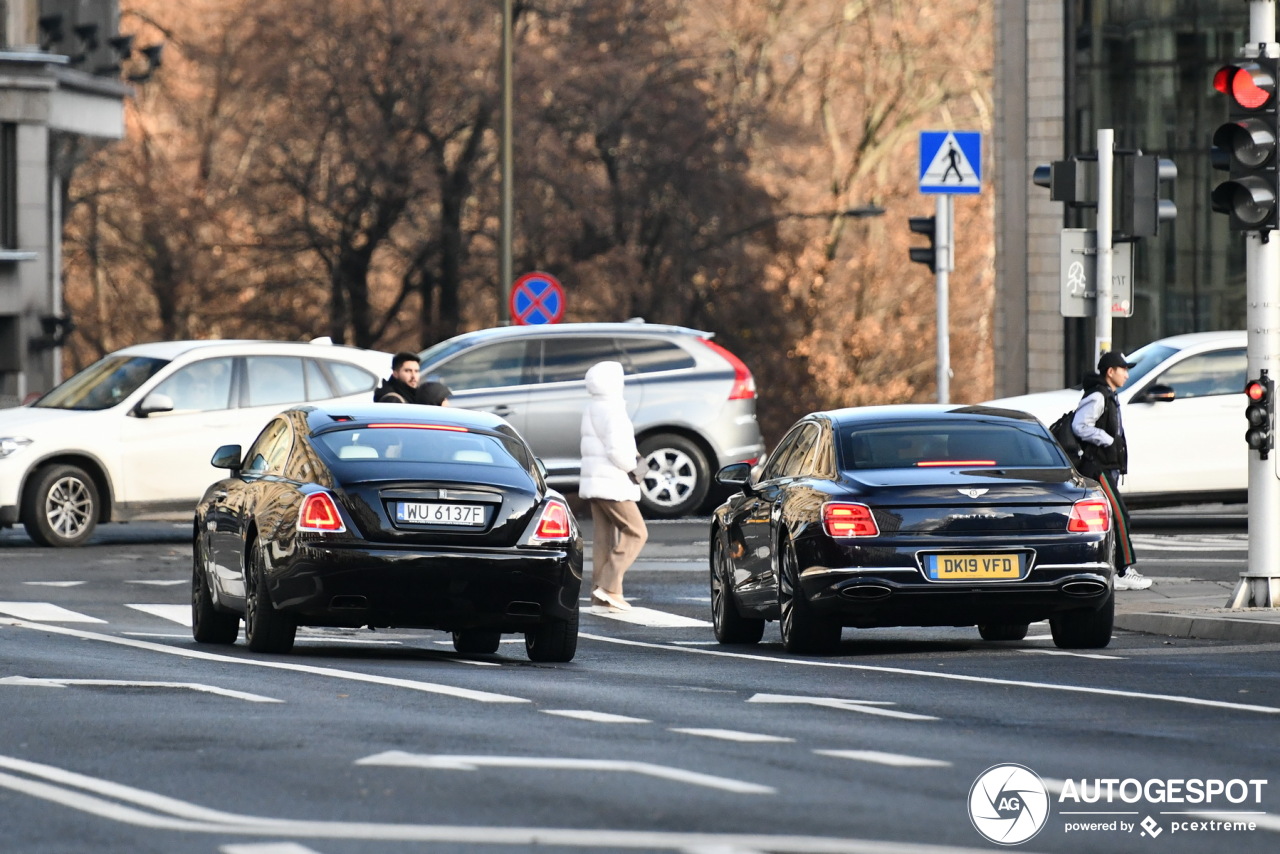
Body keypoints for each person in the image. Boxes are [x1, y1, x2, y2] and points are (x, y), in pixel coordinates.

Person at [1072, 350, 1150, 590]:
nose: (1127, 374)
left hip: (1108, 467)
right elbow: (1080, 425)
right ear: (1110, 372)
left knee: (1106, 519)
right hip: (1099, 467)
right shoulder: (1098, 396)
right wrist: (1106, 440)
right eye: (1123, 369)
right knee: (1119, 515)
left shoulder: (1109, 395)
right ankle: (1124, 570)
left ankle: (1108, 568)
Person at [578, 360, 648, 611]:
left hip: (595, 480)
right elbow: (618, 451)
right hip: (612, 482)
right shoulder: (613, 410)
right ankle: (608, 587)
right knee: (636, 532)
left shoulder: (592, 408)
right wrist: (635, 467)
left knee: (603, 538)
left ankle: (602, 595)